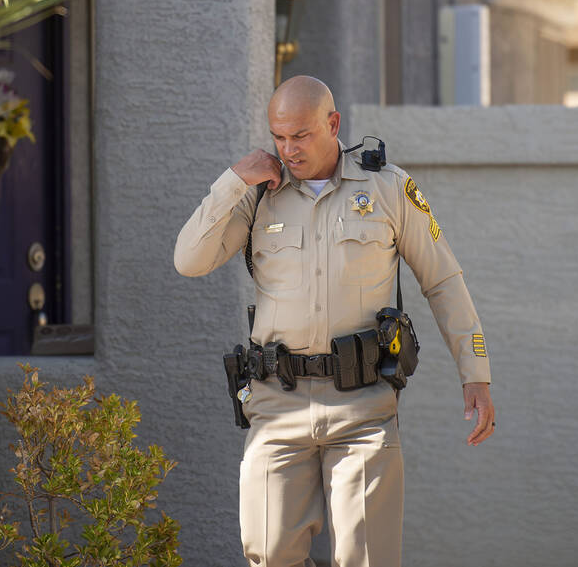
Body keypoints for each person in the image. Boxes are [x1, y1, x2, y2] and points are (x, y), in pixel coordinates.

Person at [173, 75, 494, 567]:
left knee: (367, 558)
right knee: (269, 552)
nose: (288, 148)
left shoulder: (388, 187)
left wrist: (475, 372)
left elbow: (443, 280)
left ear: (333, 123)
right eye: (279, 136)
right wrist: (235, 179)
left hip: (362, 406)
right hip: (276, 404)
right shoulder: (258, 196)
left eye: (299, 135)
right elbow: (188, 260)